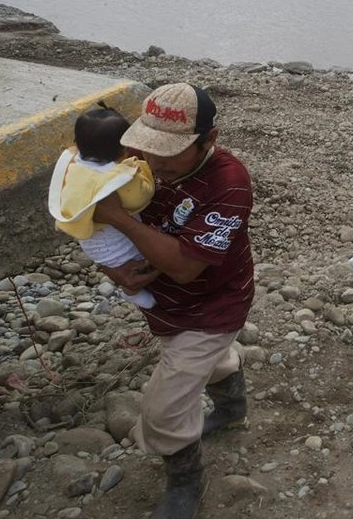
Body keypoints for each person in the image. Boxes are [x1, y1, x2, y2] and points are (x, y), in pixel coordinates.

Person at [92, 83, 255, 519]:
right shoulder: (142, 163)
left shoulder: (229, 185)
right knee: (210, 360)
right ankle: (233, 406)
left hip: (214, 305)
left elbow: (185, 266)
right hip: (165, 303)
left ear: (210, 140)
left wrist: (115, 216)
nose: (155, 160)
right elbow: (100, 235)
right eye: (148, 146)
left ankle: (187, 482)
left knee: (163, 409)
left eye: (169, 151)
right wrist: (116, 269)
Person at [48, 105, 157, 309]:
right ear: (123, 150)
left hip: (92, 243)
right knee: (145, 261)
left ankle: (132, 291)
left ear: (77, 144)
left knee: (126, 266)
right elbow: (141, 197)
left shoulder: (73, 165)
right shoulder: (117, 178)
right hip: (118, 244)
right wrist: (140, 168)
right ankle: (132, 293)